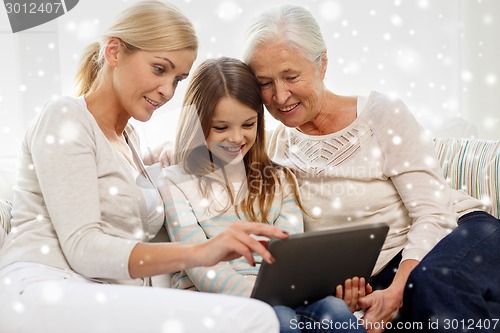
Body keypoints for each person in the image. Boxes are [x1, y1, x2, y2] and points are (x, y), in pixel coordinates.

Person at [0, 2, 289, 332]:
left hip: (103, 292)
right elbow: (83, 247)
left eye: (178, 79)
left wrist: (171, 157)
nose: (167, 90)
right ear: (114, 52)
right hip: (45, 284)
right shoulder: (65, 116)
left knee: (248, 313)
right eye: (159, 69)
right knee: (255, 317)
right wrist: (202, 251)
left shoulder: (130, 141)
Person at [242, 4, 500, 333]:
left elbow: (434, 214)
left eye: (291, 76)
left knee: (432, 286)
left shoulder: (381, 115)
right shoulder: (277, 149)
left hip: (457, 234)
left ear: (322, 64)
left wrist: (397, 290)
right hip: (387, 271)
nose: (279, 95)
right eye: (264, 83)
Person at [160, 57, 368, 333]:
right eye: (221, 127)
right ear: (196, 124)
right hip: (214, 303)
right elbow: (199, 263)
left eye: (247, 125)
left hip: (281, 298)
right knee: (279, 318)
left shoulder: (279, 179)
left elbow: (288, 254)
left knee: (335, 310)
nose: (236, 138)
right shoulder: (175, 183)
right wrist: (260, 299)